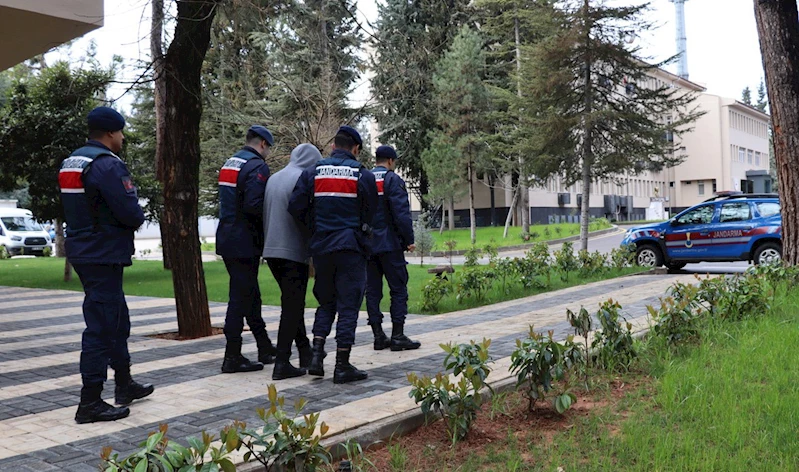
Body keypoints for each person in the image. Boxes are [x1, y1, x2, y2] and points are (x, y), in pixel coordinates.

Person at [59, 106, 154, 424]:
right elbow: (130, 213)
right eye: (121, 133)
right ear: (111, 133)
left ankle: (124, 384)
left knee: (117, 318)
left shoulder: (74, 160)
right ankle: (90, 402)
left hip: (85, 250)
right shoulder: (106, 165)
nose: (123, 138)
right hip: (103, 252)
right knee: (101, 326)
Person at [288, 125, 378, 384]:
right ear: (356, 149)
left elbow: (295, 207)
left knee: (326, 302)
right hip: (350, 247)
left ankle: (316, 357)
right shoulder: (362, 174)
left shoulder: (312, 172)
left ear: (332, 146)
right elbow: (371, 213)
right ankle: (342, 364)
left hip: (323, 249)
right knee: (348, 305)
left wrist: (315, 229)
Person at [216, 125, 275, 374]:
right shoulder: (257, 166)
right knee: (240, 298)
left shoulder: (231, 162)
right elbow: (254, 205)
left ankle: (264, 346)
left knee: (250, 295)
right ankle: (232, 356)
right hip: (244, 240)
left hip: (228, 236)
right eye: (268, 148)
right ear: (262, 143)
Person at [263, 143, 322, 380]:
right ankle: (282, 362)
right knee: (291, 308)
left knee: (292, 303)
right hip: (292, 250)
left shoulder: (275, 177)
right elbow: (304, 215)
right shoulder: (303, 178)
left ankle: (304, 352)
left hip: (271, 250)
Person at [365, 145, 421, 351]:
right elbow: (401, 213)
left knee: (372, 291)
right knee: (398, 289)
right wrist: (409, 239)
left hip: (368, 245)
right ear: (390, 161)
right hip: (390, 244)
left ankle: (378, 335)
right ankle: (397, 335)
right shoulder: (392, 180)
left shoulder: (365, 178)